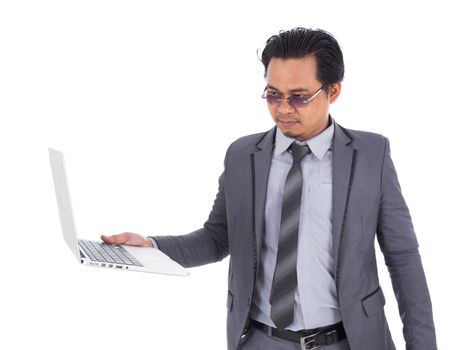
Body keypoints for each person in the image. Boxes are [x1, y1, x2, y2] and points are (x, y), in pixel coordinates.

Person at [101, 27, 437, 350]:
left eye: (299, 97)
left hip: (349, 340)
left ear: (333, 91)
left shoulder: (371, 155)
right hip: (262, 340)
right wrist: (151, 246)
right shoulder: (242, 156)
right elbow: (218, 239)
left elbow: (402, 258)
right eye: (273, 95)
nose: (283, 109)